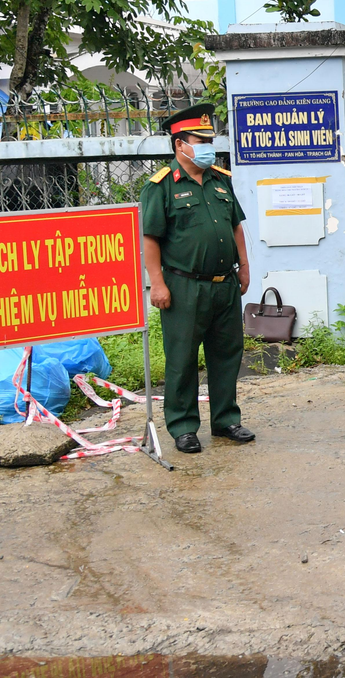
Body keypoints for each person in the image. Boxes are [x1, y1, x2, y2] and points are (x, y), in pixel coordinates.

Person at [139, 103, 256, 453]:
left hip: (224, 283)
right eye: (200, 140)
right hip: (184, 286)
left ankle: (226, 420)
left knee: (227, 354)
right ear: (180, 144)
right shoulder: (161, 186)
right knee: (182, 359)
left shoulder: (220, 180)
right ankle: (183, 426)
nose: (208, 146)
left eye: (210, 140)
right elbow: (150, 239)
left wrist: (244, 266)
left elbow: (235, 226)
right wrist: (157, 283)